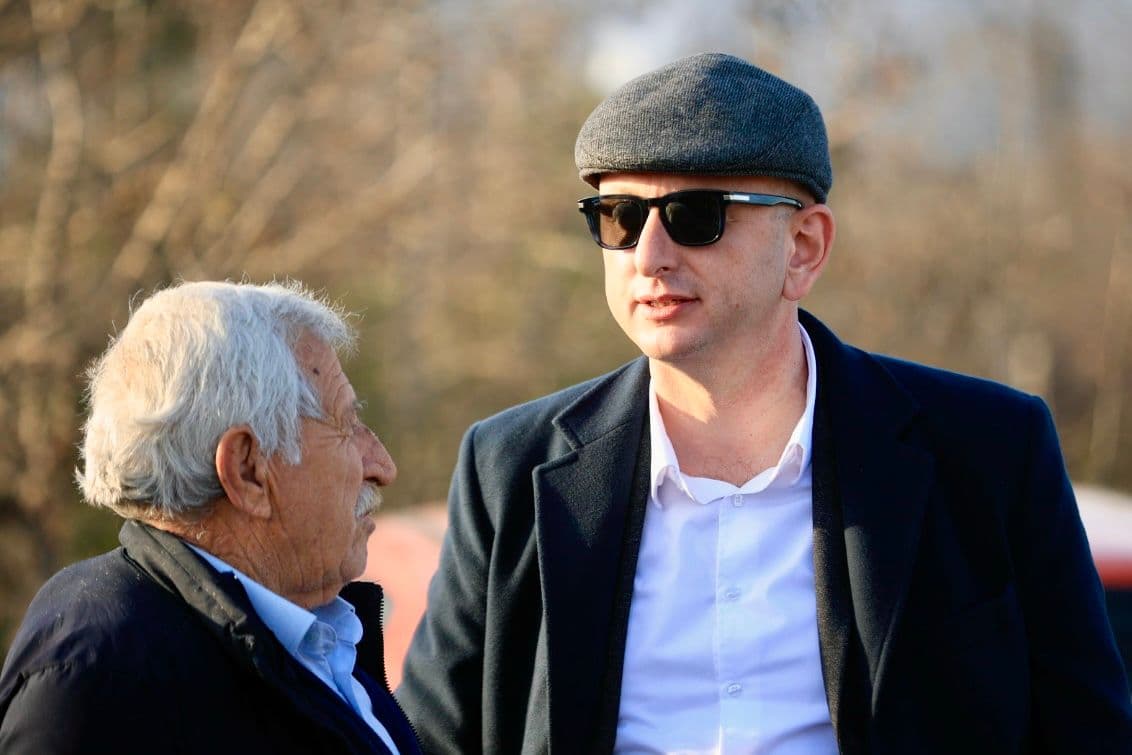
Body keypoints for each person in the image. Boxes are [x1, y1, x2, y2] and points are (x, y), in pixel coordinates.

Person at [396, 53, 1132, 753]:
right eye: (619, 216)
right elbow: (426, 742)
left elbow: (1087, 733)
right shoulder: (510, 467)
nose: (648, 255)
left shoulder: (990, 451)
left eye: (695, 216)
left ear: (804, 246)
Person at [0, 280, 421, 754]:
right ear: (248, 471)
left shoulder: (307, 637)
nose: (382, 466)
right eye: (345, 425)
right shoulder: (97, 678)